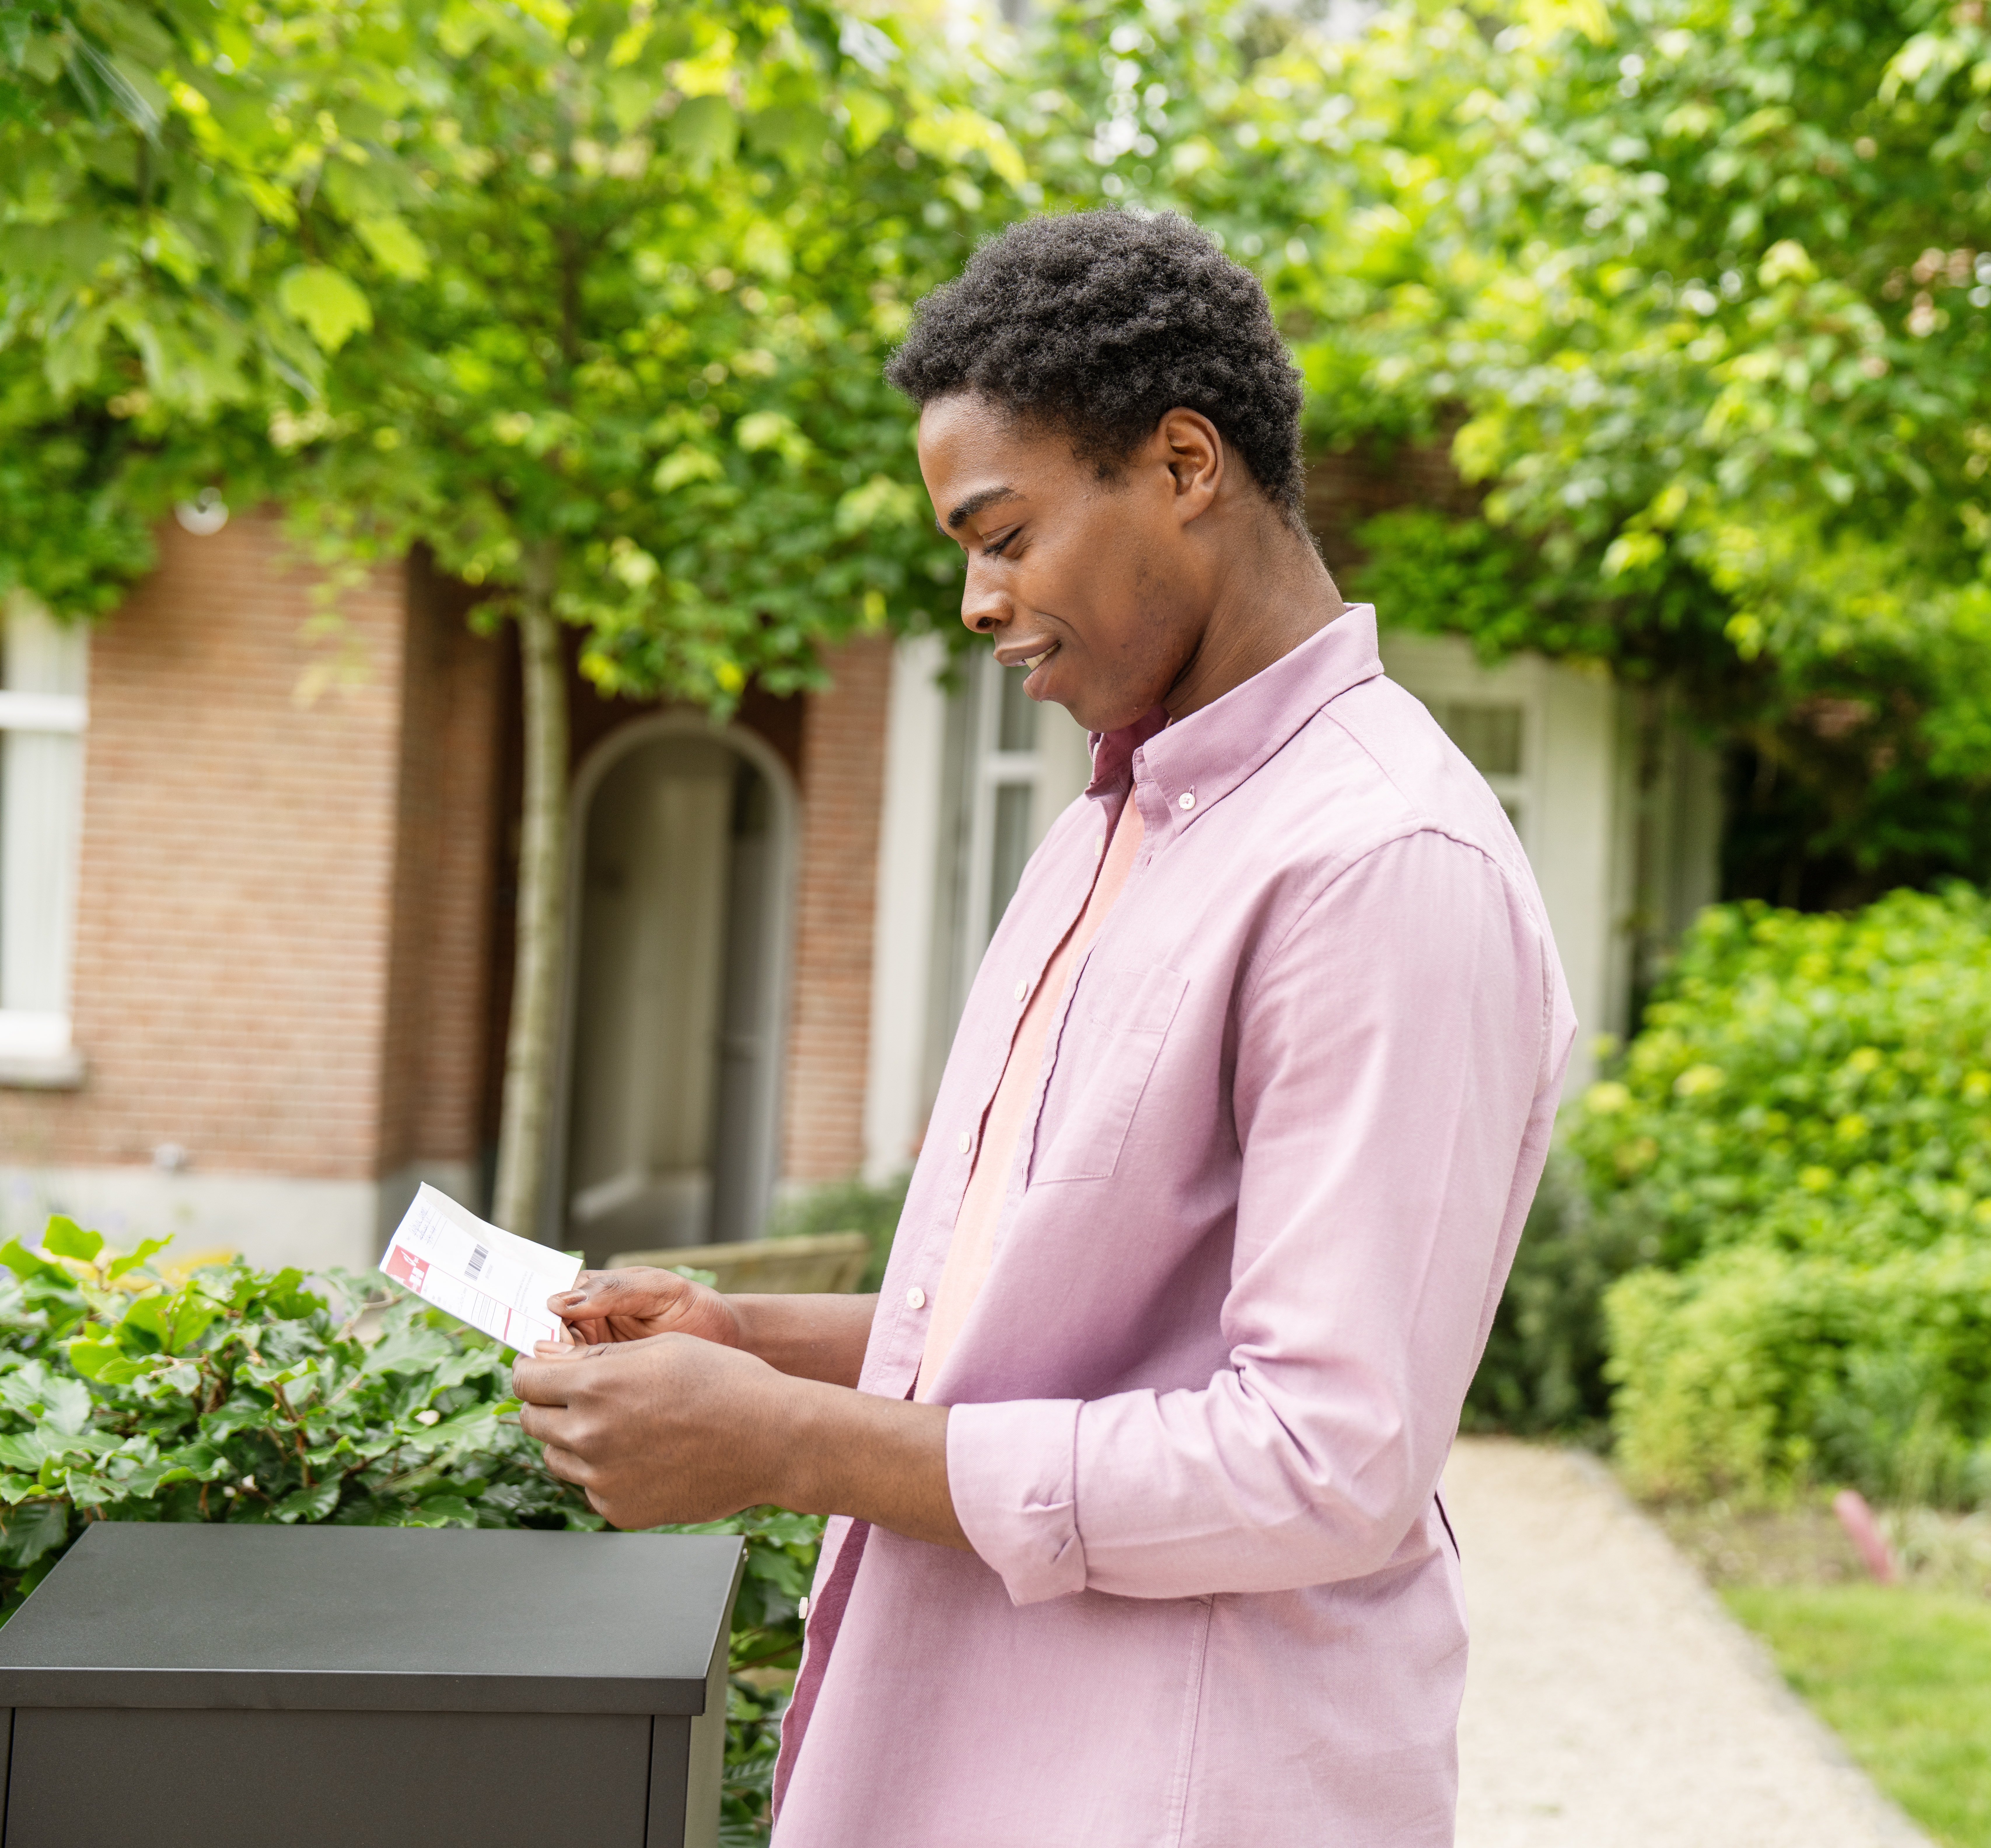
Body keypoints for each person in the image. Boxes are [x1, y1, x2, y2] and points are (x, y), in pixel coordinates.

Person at [511, 209, 1574, 1847]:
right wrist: (750, 1340)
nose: (975, 600)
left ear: (1184, 464)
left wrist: (789, 1445)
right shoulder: (1116, 818)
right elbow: (1064, 1327)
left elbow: (1321, 1460)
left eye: (1002, 533)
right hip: (975, 1756)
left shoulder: (1382, 864)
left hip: (1179, 1791)